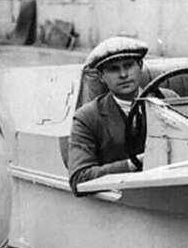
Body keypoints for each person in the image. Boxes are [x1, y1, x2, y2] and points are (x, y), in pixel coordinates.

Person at [67, 36, 157, 195]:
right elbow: (79, 179)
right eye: (113, 69)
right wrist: (132, 164)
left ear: (140, 66)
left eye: (129, 66)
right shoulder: (87, 117)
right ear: (101, 76)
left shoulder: (167, 101)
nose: (123, 75)